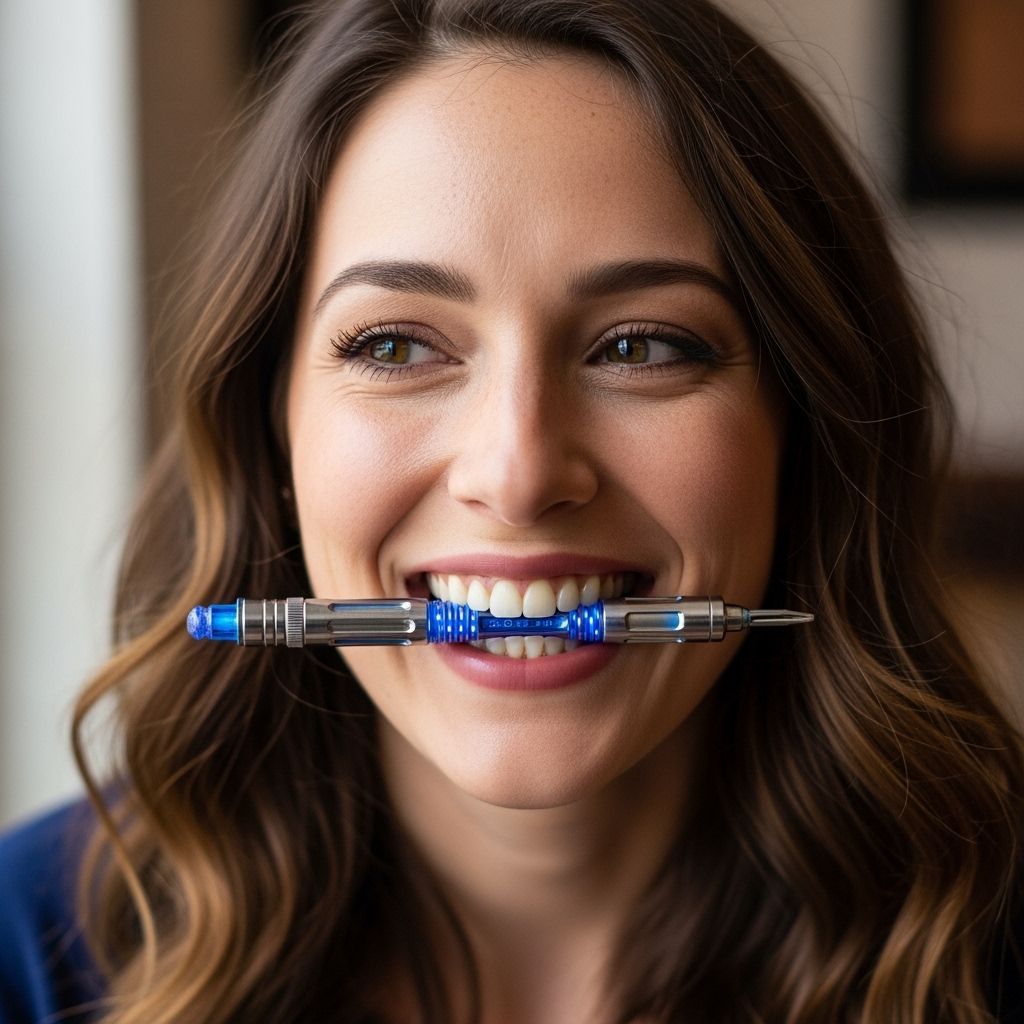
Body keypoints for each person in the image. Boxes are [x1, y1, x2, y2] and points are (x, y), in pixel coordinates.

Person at [2, 0, 1022, 1021]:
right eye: (396, 345)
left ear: (802, 432)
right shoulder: (33, 941)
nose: (519, 470)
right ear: (272, 430)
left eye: (641, 344)